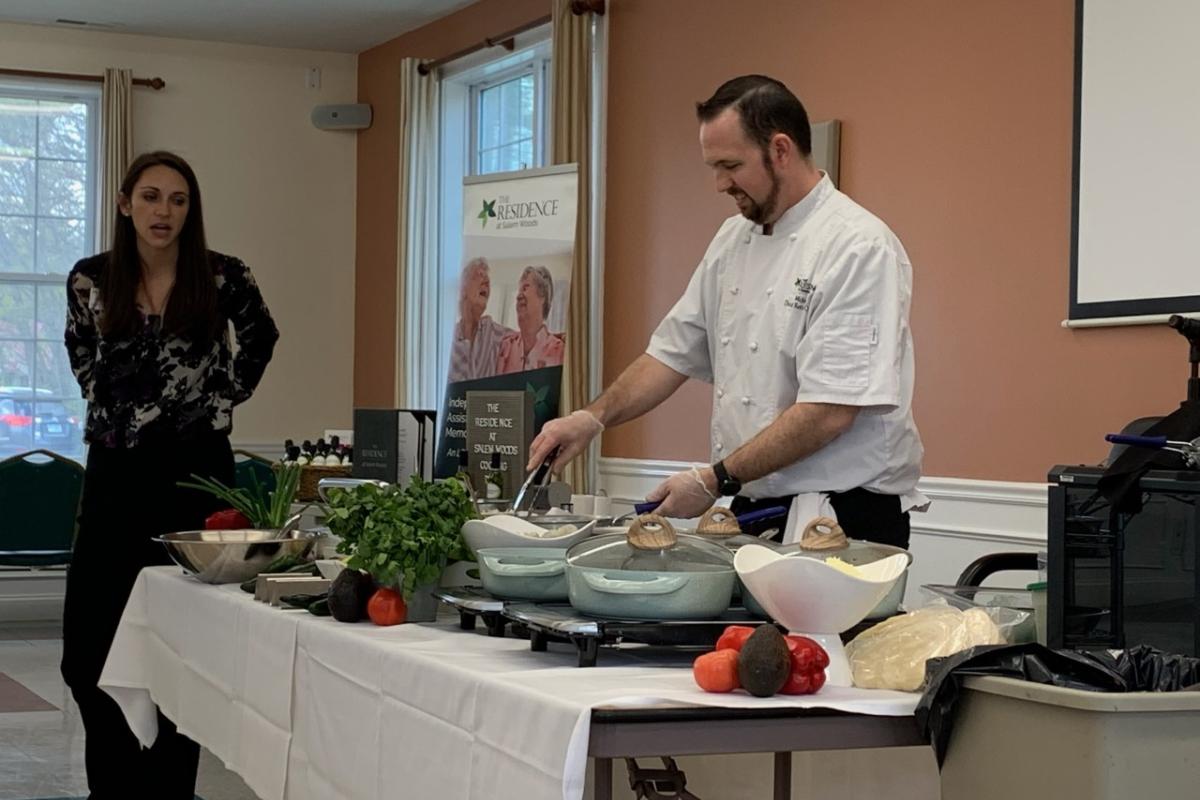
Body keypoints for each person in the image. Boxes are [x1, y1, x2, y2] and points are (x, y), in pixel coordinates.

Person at [528, 75, 924, 547]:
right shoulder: (731, 240)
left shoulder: (858, 246)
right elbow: (671, 353)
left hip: (844, 516)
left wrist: (713, 480)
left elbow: (828, 412)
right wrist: (592, 417)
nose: (719, 184)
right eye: (713, 166)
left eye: (730, 165)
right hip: (751, 501)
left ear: (780, 150)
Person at [61, 150, 279, 798]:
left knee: (187, 653)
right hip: (114, 473)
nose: (165, 211)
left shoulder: (221, 276)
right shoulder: (90, 279)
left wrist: (220, 399)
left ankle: (170, 788)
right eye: (152, 197)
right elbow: (79, 349)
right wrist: (107, 402)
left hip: (195, 475)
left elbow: (262, 337)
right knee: (87, 653)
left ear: (191, 209)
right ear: (126, 203)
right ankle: (113, 783)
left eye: (178, 200)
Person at [449, 257, 512, 382]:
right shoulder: (447, 340)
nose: (487, 282)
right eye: (479, 276)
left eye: (487, 280)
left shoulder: (496, 333)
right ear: (462, 290)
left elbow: (529, 339)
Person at [496, 265, 565, 373]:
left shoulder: (559, 351)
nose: (518, 296)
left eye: (525, 288)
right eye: (519, 290)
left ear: (543, 295)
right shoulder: (506, 347)